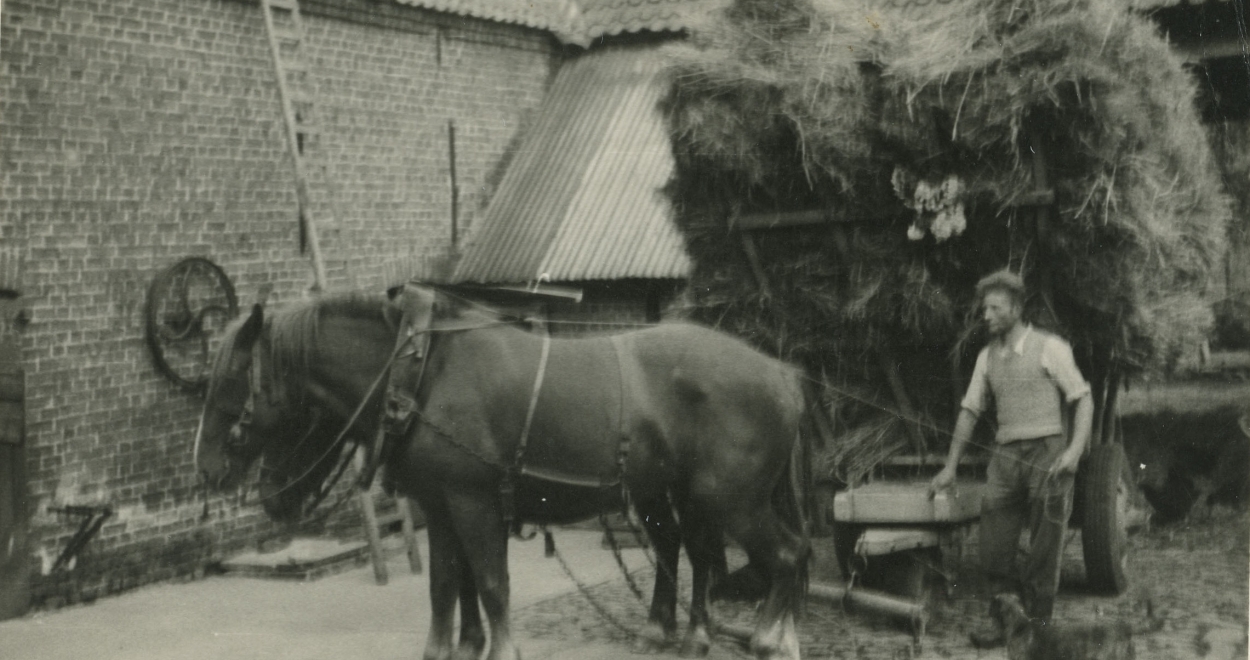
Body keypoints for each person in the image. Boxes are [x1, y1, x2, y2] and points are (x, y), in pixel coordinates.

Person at [928, 269, 1093, 648]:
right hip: (1005, 457)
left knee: (1043, 550)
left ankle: (1038, 630)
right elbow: (970, 409)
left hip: (1047, 455)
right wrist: (950, 467)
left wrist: (1072, 452)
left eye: (994, 307)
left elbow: (1082, 399)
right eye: (984, 308)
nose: (985, 315)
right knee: (993, 548)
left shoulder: (1050, 348)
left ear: (1017, 309)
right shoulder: (987, 358)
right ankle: (1001, 624)